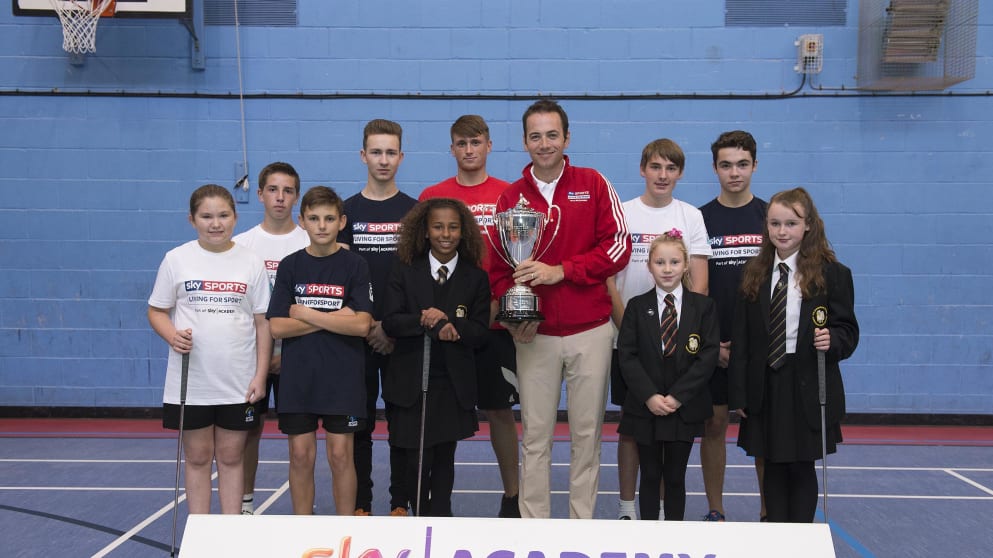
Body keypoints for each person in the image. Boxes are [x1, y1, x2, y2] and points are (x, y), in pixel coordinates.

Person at [491, 99, 631, 519]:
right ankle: (535, 527)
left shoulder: (593, 182)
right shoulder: (510, 198)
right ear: (524, 142)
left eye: (552, 135)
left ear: (567, 138)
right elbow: (497, 269)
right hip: (535, 336)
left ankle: (580, 525)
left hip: (591, 330)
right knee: (535, 437)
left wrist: (563, 271)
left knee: (587, 435)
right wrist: (514, 317)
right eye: (535, 136)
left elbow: (618, 247)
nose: (544, 144)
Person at [729, 187, 859, 523]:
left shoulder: (833, 274)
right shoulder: (754, 272)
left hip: (806, 383)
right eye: (775, 223)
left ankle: (801, 535)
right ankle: (777, 534)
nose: (782, 231)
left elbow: (848, 330)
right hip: (765, 383)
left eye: (791, 223)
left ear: (808, 225)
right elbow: (742, 339)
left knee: (802, 465)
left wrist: (833, 339)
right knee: (772, 463)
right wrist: (739, 392)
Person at [147, 184, 272, 515]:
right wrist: (172, 335)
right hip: (192, 382)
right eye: (206, 216)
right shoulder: (176, 260)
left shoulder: (251, 262)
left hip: (237, 381)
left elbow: (263, 323)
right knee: (198, 457)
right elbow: (156, 311)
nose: (216, 223)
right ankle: (199, 534)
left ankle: (229, 536)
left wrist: (260, 375)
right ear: (192, 220)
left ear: (235, 217)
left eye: (223, 215)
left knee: (231, 457)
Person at [419, 114, 520, 518]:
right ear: (452, 148)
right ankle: (435, 500)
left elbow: (518, 259)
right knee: (441, 411)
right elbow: (418, 260)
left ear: (489, 145)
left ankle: (513, 498)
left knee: (500, 411)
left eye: (476, 142)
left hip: (492, 324)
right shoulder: (433, 195)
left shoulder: (510, 194)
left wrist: (496, 305)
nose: (469, 150)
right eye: (461, 143)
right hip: (443, 327)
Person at [606, 138, 711, 520]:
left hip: (678, 349)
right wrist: (631, 331)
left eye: (670, 168)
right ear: (642, 169)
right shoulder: (622, 213)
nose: (662, 175)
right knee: (633, 427)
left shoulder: (690, 216)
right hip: (629, 341)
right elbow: (609, 278)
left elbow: (699, 283)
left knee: (669, 432)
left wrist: (678, 338)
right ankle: (627, 508)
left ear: (679, 173)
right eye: (655, 166)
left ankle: (666, 514)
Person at [267, 186, 374, 515]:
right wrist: (337, 316)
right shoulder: (290, 266)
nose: (322, 225)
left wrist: (306, 313)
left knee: (341, 455)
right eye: (314, 218)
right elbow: (278, 327)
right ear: (302, 221)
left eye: (329, 218)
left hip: (343, 378)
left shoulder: (356, 265)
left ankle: (345, 530)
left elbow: (362, 325)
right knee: (300, 455)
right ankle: (303, 528)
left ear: (341, 222)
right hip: (299, 378)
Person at [381, 198, 491, 516]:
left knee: (444, 457)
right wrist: (425, 320)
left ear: (463, 232)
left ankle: (441, 517)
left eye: (453, 227)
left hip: (451, 386)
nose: (446, 234)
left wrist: (450, 323)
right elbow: (391, 321)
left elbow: (480, 332)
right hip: (410, 382)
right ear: (425, 231)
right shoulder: (405, 269)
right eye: (438, 227)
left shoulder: (475, 278)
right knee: (414, 457)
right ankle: (412, 514)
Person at [338, 119, 419, 516]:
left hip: (401, 336)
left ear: (401, 157)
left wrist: (390, 326)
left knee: (402, 423)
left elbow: (419, 279)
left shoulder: (415, 212)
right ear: (363, 155)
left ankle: (400, 502)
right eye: (376, 152)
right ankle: (361, 504)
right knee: (360, 424)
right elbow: (338, 276)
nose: (383, 160)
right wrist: (367, 324)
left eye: (390, 152)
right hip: (357, 336)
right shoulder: (345, 212)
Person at [617, 231, 719, 521]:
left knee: (675, 477)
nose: (667, 269)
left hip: (683, 408)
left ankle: (674, 537)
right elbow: (627, 356)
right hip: (646, 407)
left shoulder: (704, 307)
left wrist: (677, 397)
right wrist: (650, 396)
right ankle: (649, 537)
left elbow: (708, 356)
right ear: (649, 265)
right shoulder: (637, 307)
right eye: (660, 262)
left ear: (686, 265)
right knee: (650, 475)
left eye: (674, 262)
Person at [698, 130, 768, 522]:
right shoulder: (700, 219)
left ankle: (768, 512)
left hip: (760, 348)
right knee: (714, 425)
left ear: (755, 166)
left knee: (763, 430)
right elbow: (694, 288)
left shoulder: (770, 216)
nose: (735, 173)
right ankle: (716, 510)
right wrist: (712, 344)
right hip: (717, 346)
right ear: (715, 168)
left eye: (742, 164)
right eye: (726, 165)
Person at [234, 161, 310, 515]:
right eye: (273, 190)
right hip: (253, 360)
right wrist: (263, 359)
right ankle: (245, 505)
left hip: (300, 356)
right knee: (248, 433)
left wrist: (287, 352)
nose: (280, 197)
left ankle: (302, 512)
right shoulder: (241, 245)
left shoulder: (310, 240)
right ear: (260, 194)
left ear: (296, 196)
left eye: (288, 191)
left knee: (301, 440)